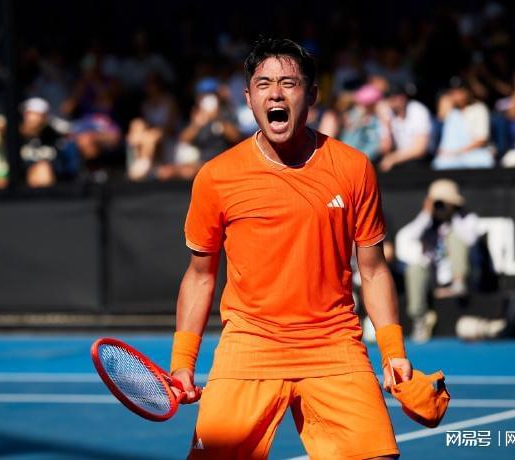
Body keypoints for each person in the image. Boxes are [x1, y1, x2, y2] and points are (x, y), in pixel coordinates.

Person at [170, 38, 412, 459]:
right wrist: (182, 362)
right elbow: (200, 274)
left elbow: (373, 270)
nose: (276, 94)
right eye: (263, 84)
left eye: (289, 83)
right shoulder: (216, 176)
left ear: (312, 95)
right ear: (249, 98)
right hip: (248, 345)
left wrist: (393, 352)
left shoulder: (353, 168)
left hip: (333, 343)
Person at [395, 179, 481, 342]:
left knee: (455, 237)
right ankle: (419, 318)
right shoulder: (426, 224)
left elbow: (470, 240)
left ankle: (458, 283)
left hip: (462, 277)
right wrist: (426, 214)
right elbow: (403, 241)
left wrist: (452, 216)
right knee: (415, 269)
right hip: (433, 278)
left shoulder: (466, 219)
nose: (440, 207)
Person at [431, 77, 495, 169]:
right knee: (440, 162)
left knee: (484, 159)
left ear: (467, 92)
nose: (456, 96)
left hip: (473, 153)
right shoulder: (452, 112)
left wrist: (458, 152)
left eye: (459, 92)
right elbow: (439, 129)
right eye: (452, 93)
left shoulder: (478, 108)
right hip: (451, 157)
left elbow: (481, 139)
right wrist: (445, 106)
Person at [379, 83, 431, 172]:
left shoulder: (418, 110)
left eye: (395, 98)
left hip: (423, 159)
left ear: (404, 97)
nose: (392, 102)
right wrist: (386, 125)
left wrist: (393, 158)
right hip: (400, 159)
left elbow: (420, 150)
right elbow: (385, 150)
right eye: (389, 99)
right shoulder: (387, 114)